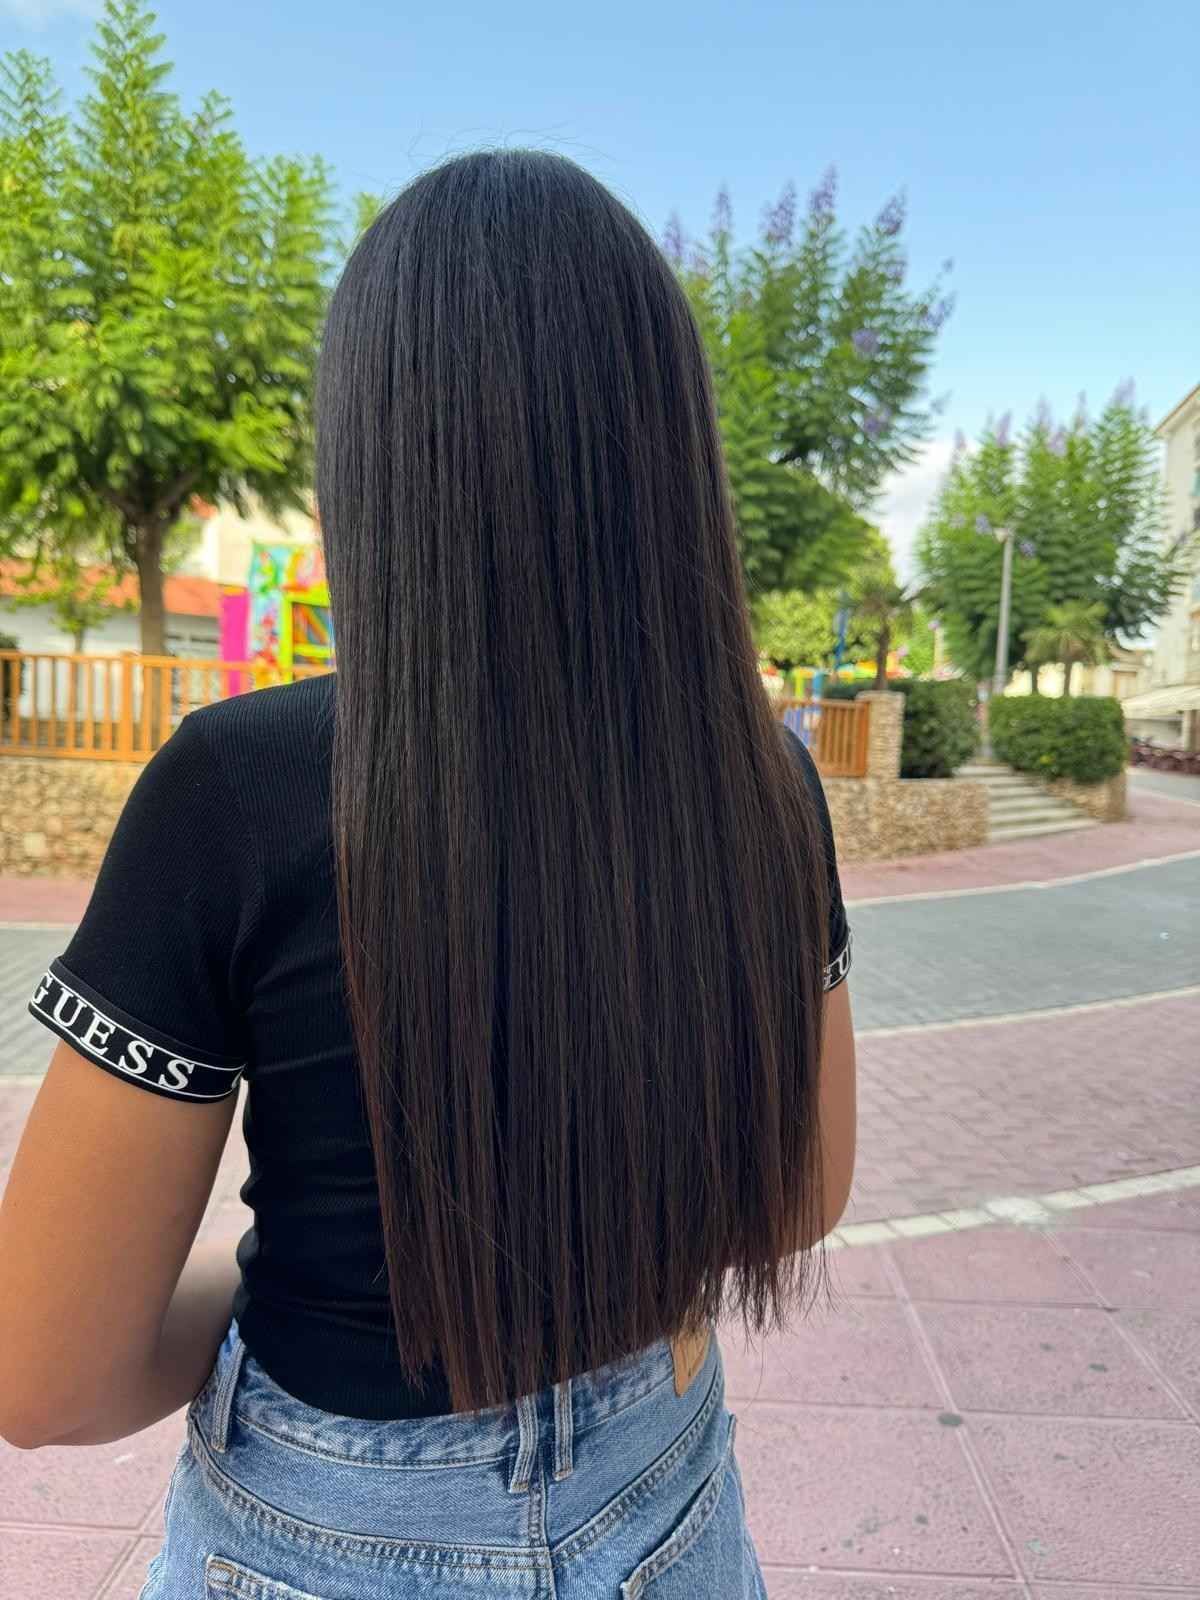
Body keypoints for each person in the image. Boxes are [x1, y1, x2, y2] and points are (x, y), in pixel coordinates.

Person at [0, 150, 856, 1598]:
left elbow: (46, 1370)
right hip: (667, 1499)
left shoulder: (237, 790)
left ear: (376, 450)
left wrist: (272, 1296)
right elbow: (796, 1195)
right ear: (668, 448)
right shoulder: (765, 782)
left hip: (325, 1539)